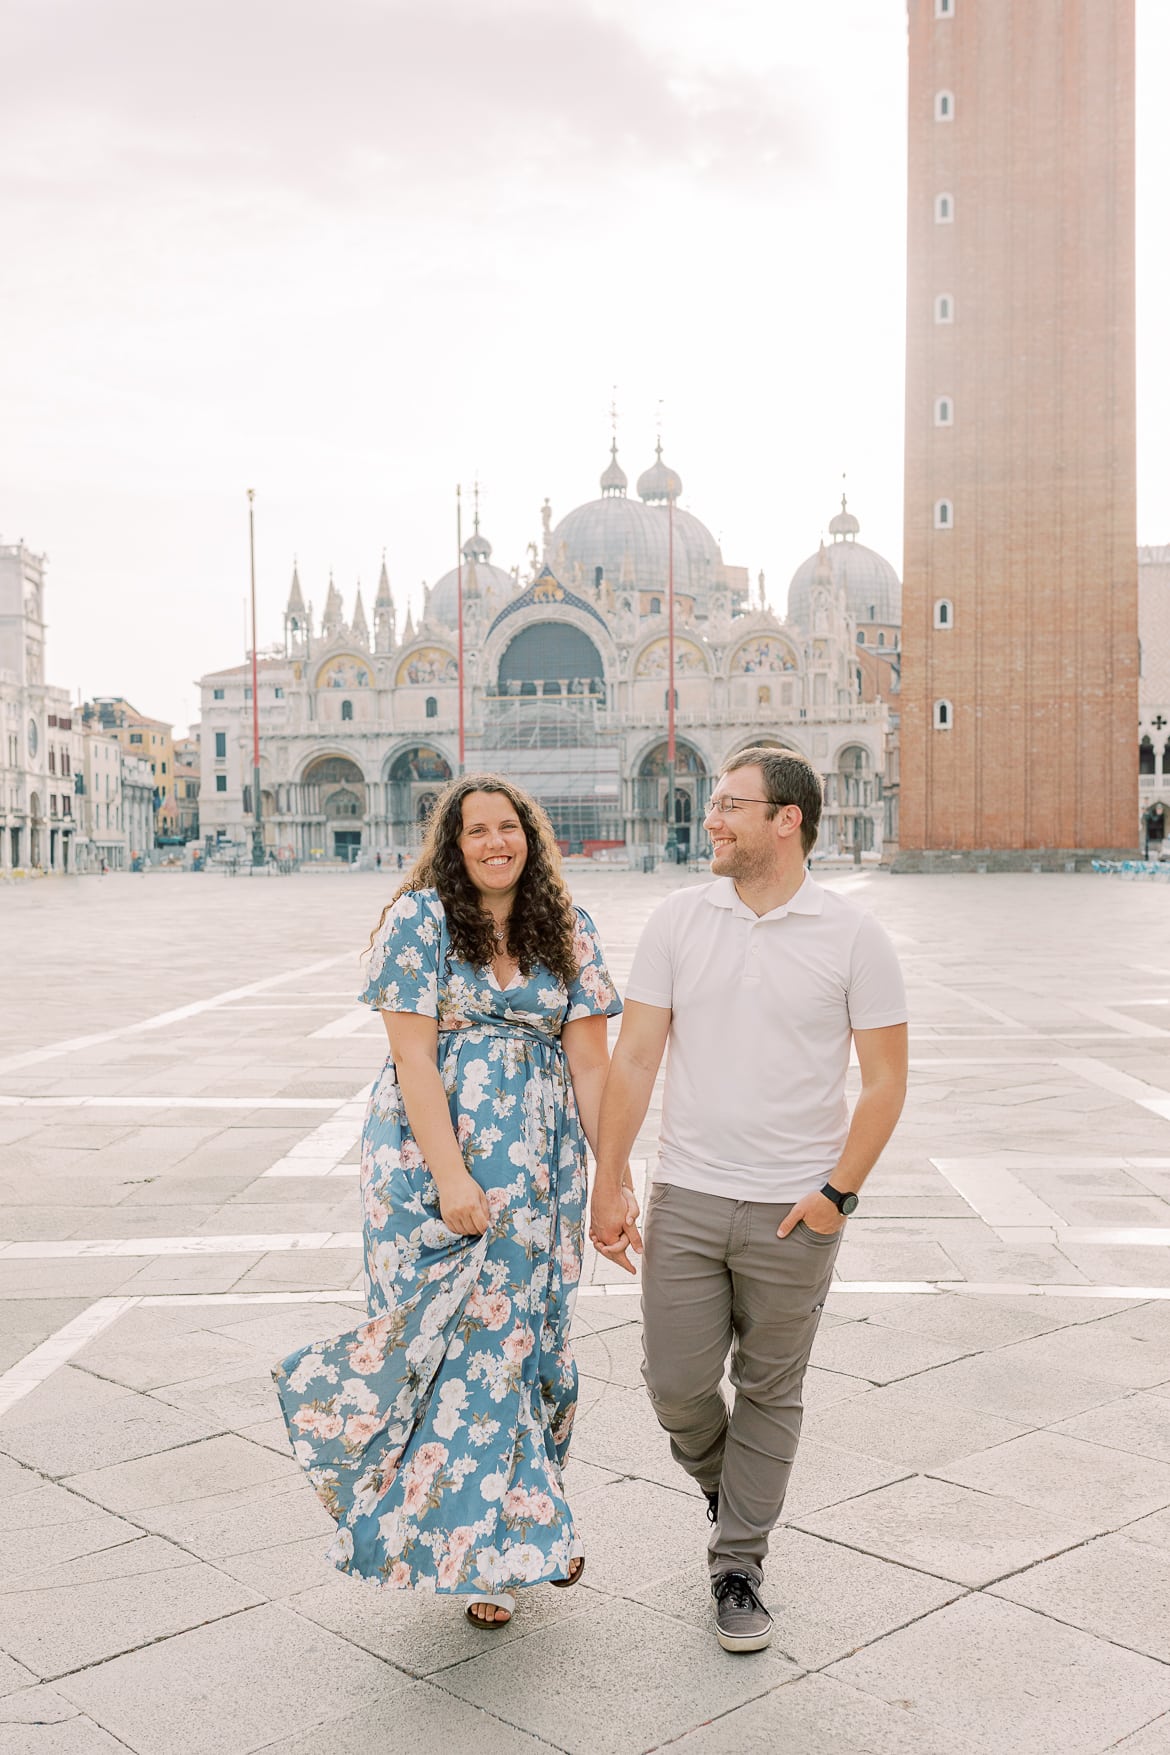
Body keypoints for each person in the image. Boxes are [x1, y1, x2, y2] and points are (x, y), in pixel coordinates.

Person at [274, 774, 633, 1630]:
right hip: (430, 1162)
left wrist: (613, 1178)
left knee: (528, 1341)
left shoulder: (569, 929)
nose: (493, 842)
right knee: (456, 1347)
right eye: (475, 830)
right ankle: (479, 1555)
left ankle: (530, 1521)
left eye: (508, 827)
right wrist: (451, 1178)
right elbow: (414, 1062)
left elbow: (590, 1067)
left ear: (530, 837)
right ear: (453, 842)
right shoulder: (421, 920)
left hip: (541, 1170)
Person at [590, 746, 907, 1654]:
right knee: (676, 1385)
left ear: (788, 820)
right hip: (687, 1193)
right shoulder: (678, 920)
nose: (712, 817)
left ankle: (738, 1561)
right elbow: (637, 1058)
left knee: (771, 1387)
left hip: (794, 1209)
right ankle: (735, 1490)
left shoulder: (855, 936)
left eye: (733, 804)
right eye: (715, 801)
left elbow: (886, 1082)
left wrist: (835, 1194)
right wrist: (609, 1181)